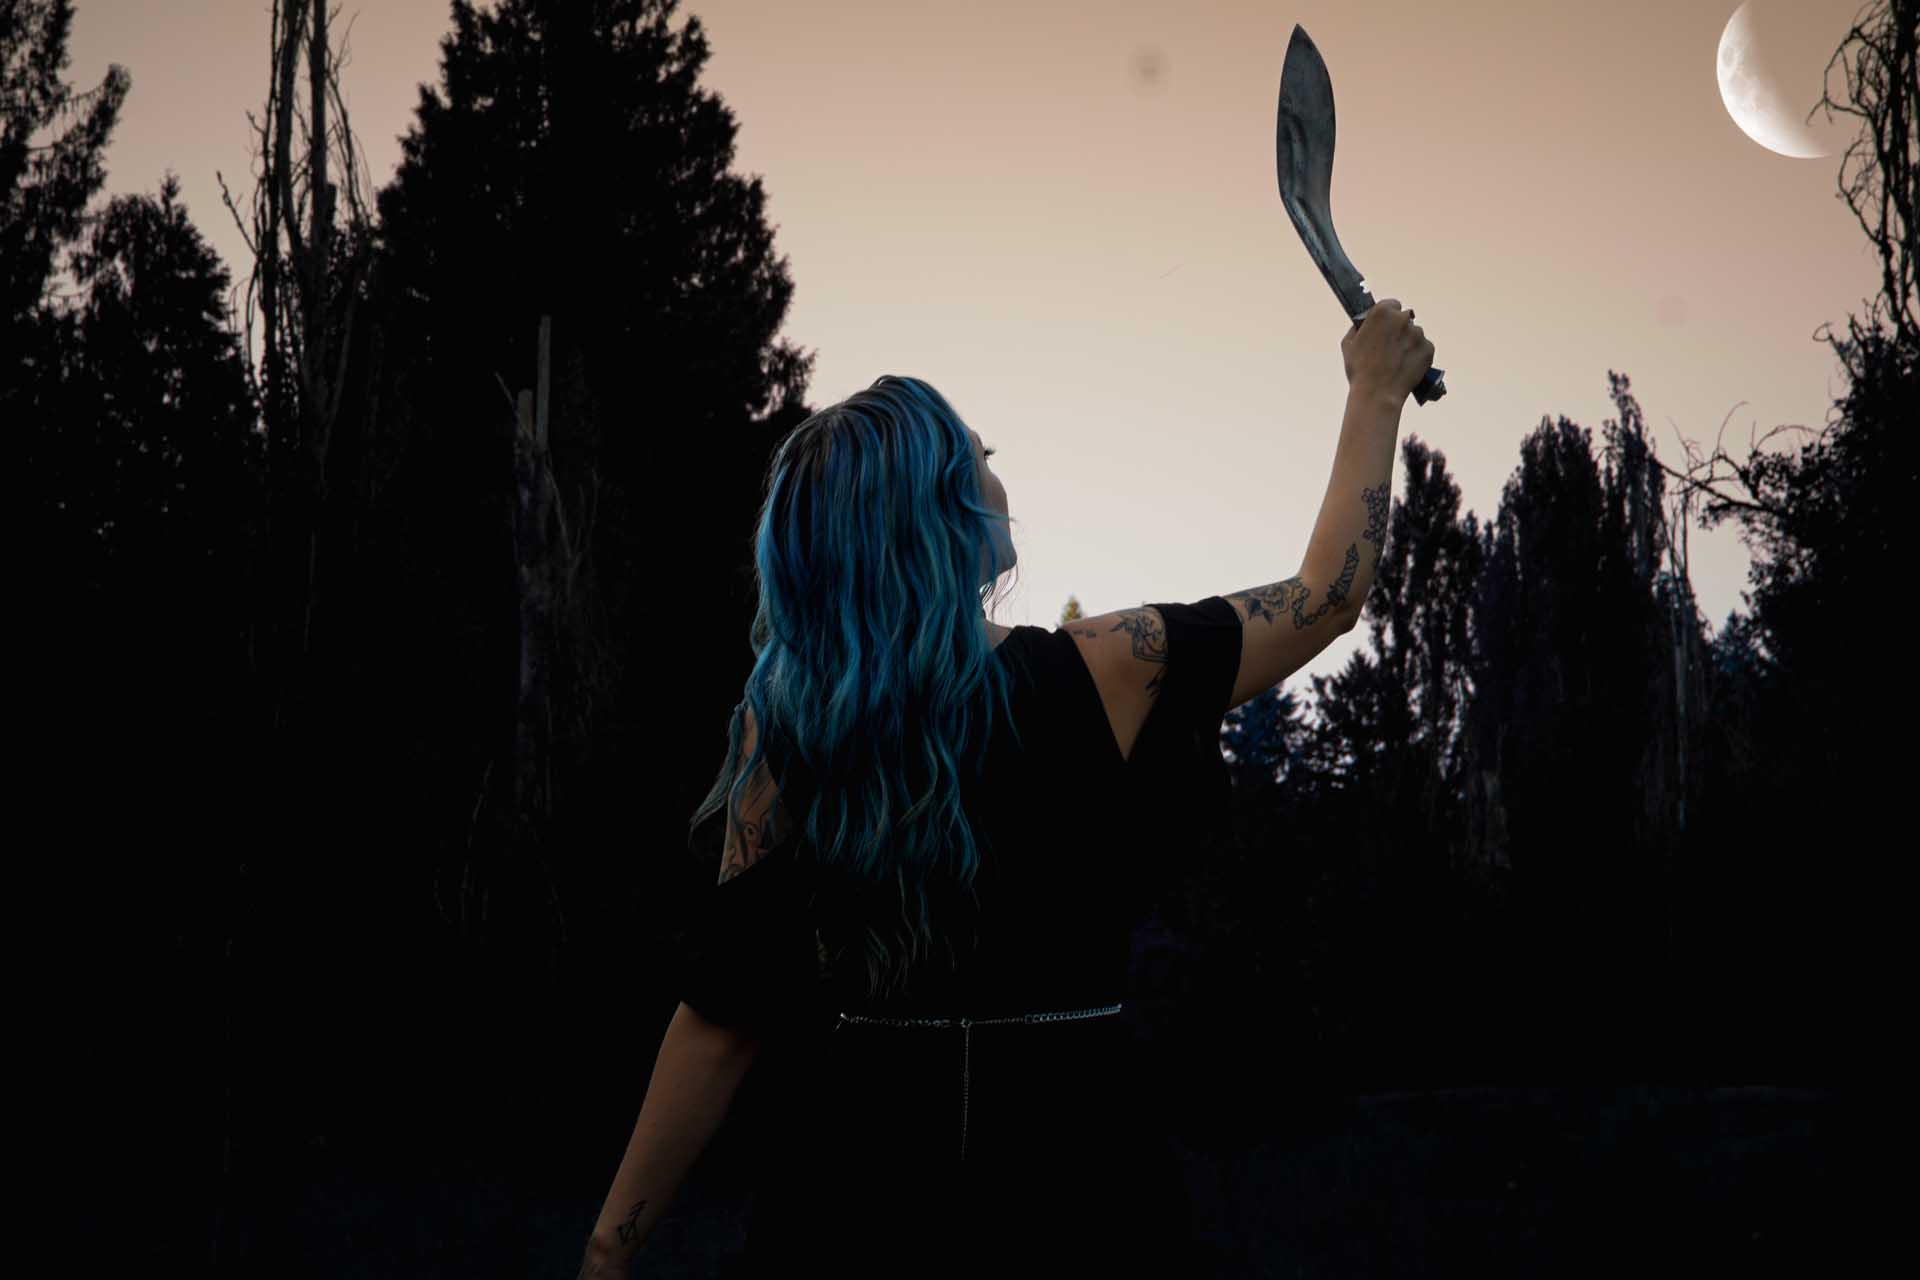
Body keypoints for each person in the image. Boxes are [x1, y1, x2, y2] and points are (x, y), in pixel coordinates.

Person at [577, 303, 1436, 1277]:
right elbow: (1327, 594)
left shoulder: (784, 727)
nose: (996, 467)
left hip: (854, 1204)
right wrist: (1375, 390)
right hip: (1076, 1195)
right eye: (976, 452)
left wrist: (608, 1251)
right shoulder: (1109, 667)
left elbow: (721, 1018)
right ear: (940, 511)